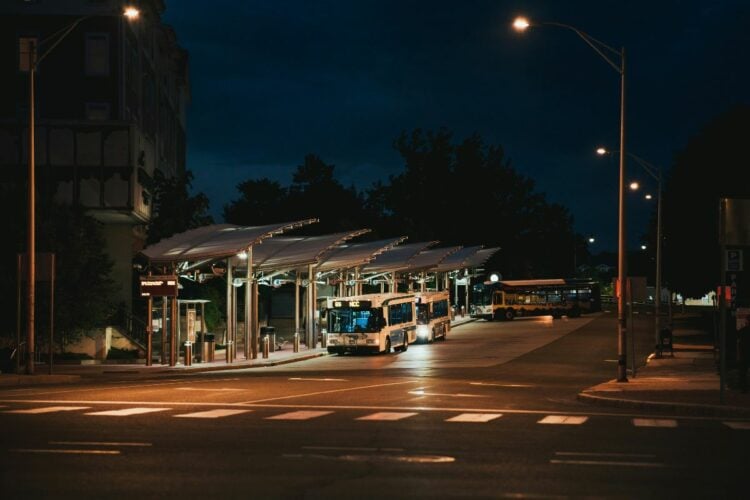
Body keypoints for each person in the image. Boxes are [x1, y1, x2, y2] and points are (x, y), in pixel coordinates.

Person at [737, 318, 750, 393]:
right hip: (745, 354)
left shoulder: (743, 330)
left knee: (743, 372)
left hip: (745, 354)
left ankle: (744, 388)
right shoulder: (743, 330)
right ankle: (744, 387)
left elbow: (738, 339)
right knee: (743, 372)